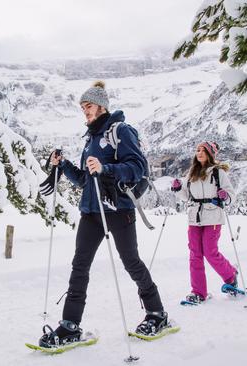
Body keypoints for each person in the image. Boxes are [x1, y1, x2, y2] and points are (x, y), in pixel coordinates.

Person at [38, 81, 169, 348]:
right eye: (82, 107)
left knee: (131, 262)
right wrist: (62, 165)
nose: (85, 111)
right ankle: (70, 326)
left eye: (88, 106)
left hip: (118, 209)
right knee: (80, 265)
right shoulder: (91, 138)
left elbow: (137, 167)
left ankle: (157, 313)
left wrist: (106, 167)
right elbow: (87, 180)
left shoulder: (120, 131)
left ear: (102, 105)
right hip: (91, 211)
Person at [171, 141, 237, 304]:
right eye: (198, 150)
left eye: (203, 150)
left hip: (213, 216)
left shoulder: (218, 173)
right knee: (195, 254)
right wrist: (178, 189)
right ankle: (199, 292)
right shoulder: (191, 173)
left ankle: (230, 276)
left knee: (210, 251)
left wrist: (225, 196)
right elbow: (187, 196)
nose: (199, 152)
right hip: (194, 217)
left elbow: (230, 195)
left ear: (210, 154)